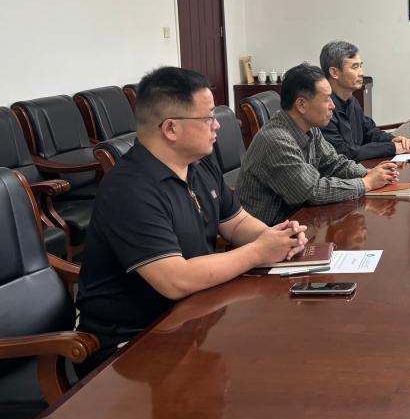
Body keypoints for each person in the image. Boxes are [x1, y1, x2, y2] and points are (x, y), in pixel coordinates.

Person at [76, 67, 309, 370]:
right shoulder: (129, 189)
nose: (217, 125)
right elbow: (175, 280)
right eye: (208, 118)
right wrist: (258, 252)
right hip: (132, 342)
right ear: (171, 129)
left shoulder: (199, 164)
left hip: (194, 313)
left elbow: (236, 222)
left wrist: (276, 237)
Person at [235, 62, 400, 225]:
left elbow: (333, 163)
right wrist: (366, 183)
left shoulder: (309, 127)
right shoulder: (277, 141)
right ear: (301, 105)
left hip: (298, 221)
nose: (332, 106)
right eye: (327, 99)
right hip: (267, 232)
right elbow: (312, 191)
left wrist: (367, 173)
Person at [319, 40, 410, 160]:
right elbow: (343, 152)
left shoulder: (352, 100)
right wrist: (391, 148)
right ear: (334, 72)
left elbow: (370, 132)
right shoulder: (323, 108)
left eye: (360, 66)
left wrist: (393, 140)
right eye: (355, 67)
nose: (361, 73)